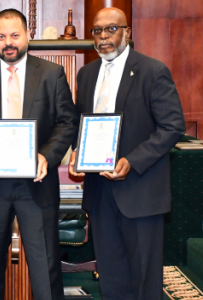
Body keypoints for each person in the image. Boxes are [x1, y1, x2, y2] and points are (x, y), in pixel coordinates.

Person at [0, 9, 77, 300]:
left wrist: (47, 155)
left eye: (15, 35)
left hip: (37, 184)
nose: (8, 42)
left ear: (28, 36)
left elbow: (67, 121)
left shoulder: (51, 73)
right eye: (1, 36)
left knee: (46, 271)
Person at [68, 7, 185, 300]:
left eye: (111, 29)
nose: (103, 37)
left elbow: (173, 126)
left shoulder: (152, 70)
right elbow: (81, 124)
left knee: (144, 278)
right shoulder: (86, 74)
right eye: (97, 30)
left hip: (141, 193)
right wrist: (76, 152)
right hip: (100, 193)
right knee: (111, 275)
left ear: (127, 33)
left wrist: (132, 161)